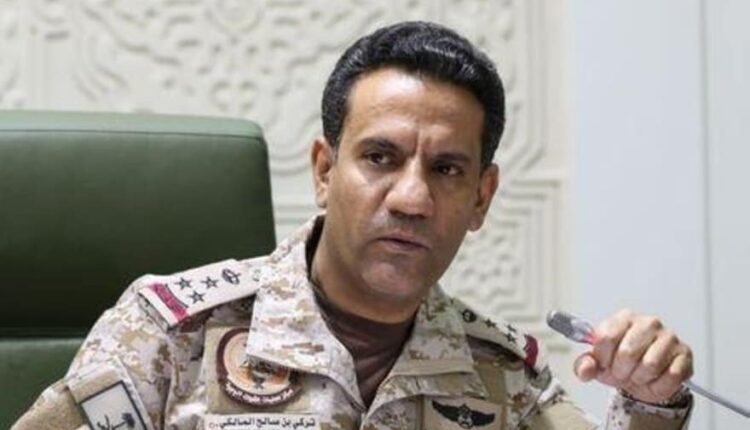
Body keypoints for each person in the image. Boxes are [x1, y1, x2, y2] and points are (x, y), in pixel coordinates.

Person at [13, 21, 694, 430]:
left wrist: (651, 400)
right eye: (380, 158)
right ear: (323, 170)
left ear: (481, 199)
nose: (412, 198)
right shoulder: (172, 333)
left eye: (447, 170)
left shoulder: (505, 377)